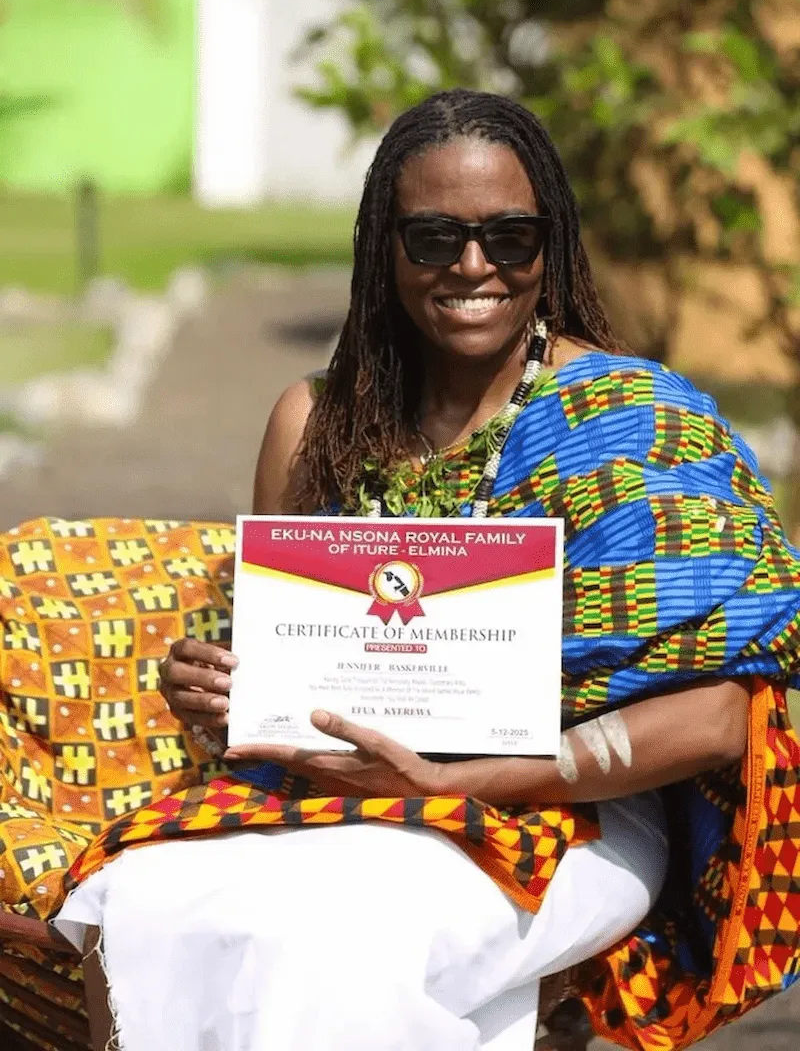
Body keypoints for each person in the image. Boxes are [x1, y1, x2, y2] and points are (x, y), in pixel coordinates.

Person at [53, 90, 800, 1051]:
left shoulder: (633, 422)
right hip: (326, 798)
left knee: (348, 933)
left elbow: (719, 717)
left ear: (554, 246)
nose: (474, 267)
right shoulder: (314, 422)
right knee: (145, 898)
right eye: (435, 237)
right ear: (383, 248)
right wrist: (218, 688)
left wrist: (457, 779)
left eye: (510, 238)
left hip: (560, 813)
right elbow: (276, 670)